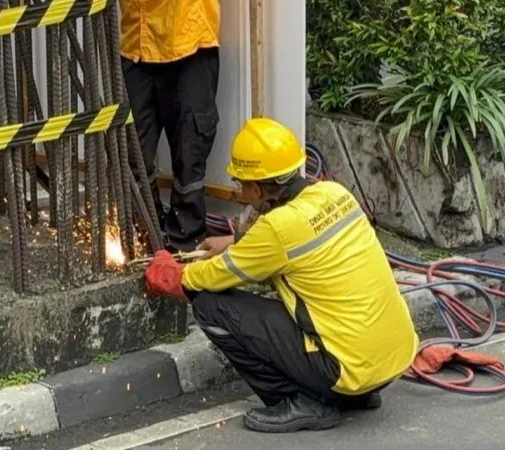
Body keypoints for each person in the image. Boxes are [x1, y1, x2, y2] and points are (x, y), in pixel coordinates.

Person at [144, 118, 419, 433]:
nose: (241, 194)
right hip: (390, 359)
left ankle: (305, 401)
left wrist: (172, 273)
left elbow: (211, 277)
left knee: (210, 306)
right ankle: (358, 395)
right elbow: (294, 243)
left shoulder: (277, 228)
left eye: (242, 185)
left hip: (344, 369)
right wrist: (233, 243)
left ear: (258, 189)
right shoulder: (332, 193)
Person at [120, 0, 221, 252]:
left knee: (190, 150)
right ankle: (146, 236)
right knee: (133, 150)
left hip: (189, 41)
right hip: (137, 46)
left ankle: (185, 242)